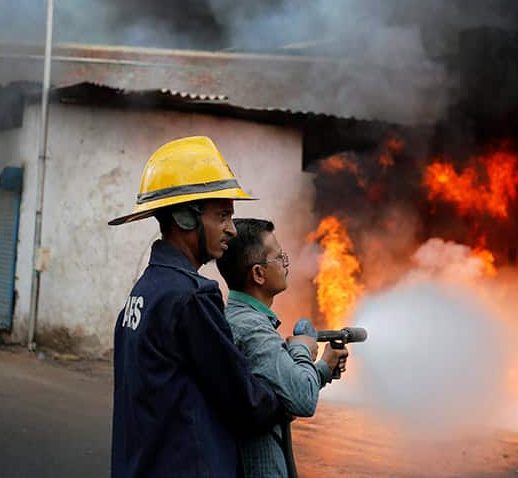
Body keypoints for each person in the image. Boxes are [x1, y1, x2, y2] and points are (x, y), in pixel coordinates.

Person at [108, 136, 284, 478]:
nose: (232, 230)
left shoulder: (146, 290)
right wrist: (290, 381)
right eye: (222, 216)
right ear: (185, 218)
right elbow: (244, 401)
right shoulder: (192, 297)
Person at [216, 218, 348, 478]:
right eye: (279, 258)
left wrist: (322, 369)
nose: (286, 264)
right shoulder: (253, 329)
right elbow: (302, 399)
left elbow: (279, 397)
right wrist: (302, 351)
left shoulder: (242, 319)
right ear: (258, 274)